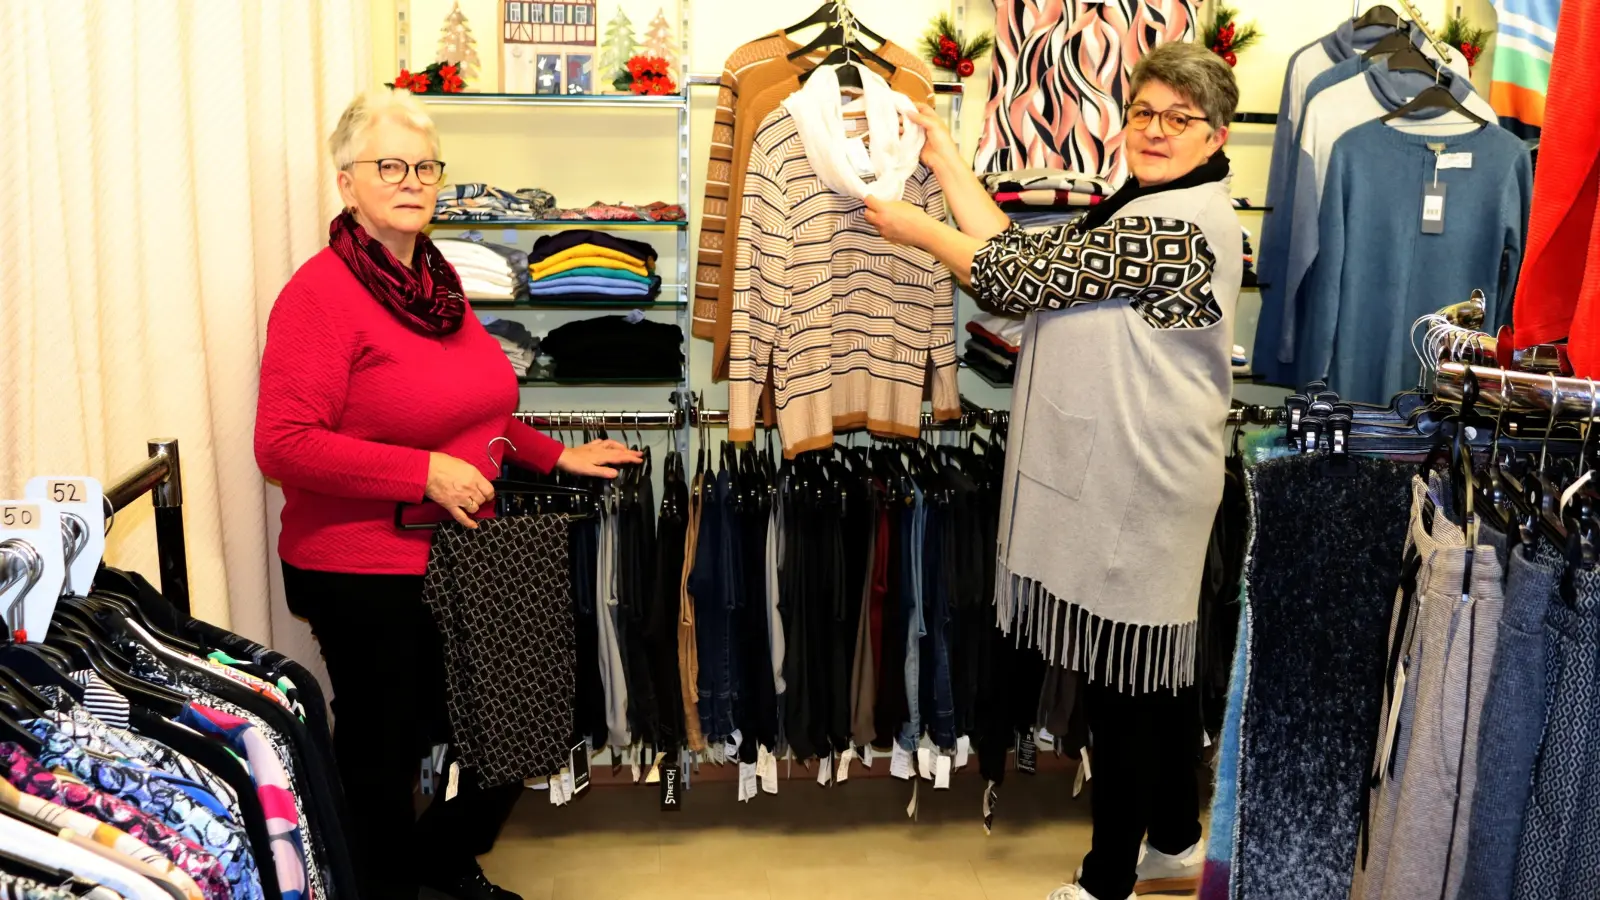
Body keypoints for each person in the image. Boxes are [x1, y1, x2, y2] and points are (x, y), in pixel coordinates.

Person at [866, 42, 1242, 900]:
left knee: (1127, 685)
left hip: (1141, 488)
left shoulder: (1179, 226)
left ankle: (1108, 877)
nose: (1153, 130)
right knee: (1156, 679)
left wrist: (915, 225)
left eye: (1177, 119)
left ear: (1215, 135)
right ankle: (1177, 840)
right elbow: (1022, 261)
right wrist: (946, 160)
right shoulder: (1145, 203)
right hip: (1128, 475)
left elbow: (1008, 277)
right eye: (1143, 113)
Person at [254, 87, 641, 900]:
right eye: (388, 165)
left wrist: (552, 457)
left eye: (425, 165)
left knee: (519, 718)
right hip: (364, 565)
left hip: (464, 548)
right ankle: (394, 882)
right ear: (346, 183)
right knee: (386, 749)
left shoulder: (435, 286)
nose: (410, 179)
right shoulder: (320, 296)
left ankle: (430, 865)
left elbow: (480, 411)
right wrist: (420, 470)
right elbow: (282, 444)